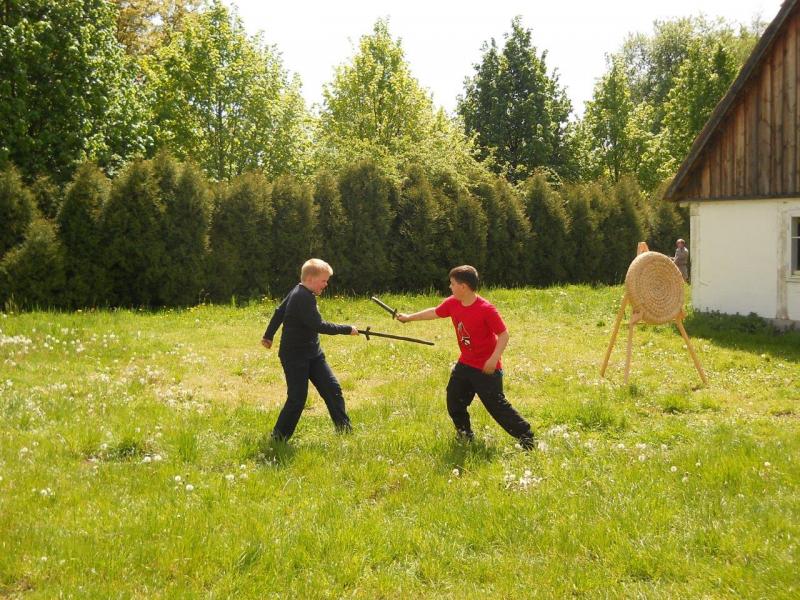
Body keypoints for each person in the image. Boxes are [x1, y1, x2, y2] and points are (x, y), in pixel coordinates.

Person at [396, 265, 536, 450]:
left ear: (463, 286)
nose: (450, 287)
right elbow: (434, 312)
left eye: (452, 284)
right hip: (465, 363)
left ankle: (526, 437)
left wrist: (494, 359)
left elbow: (504, 335)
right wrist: (409, 317)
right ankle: (464, 434)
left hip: (486, 367)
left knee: (496, 407)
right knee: (454, 400)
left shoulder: (486, 309)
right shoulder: (452, 303)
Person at [261, 258, 358, 441]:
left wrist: (268, 336)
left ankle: (345, 431)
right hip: (295, 356)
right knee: (297, 398)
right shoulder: (301, 296)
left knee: (332, 388)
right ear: (311, 279)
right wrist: (347, 329)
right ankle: (278, 438)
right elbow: (318, 325)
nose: (326, 284)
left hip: (313, 354)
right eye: (324, 280)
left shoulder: (302, 291)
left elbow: (279, 312)